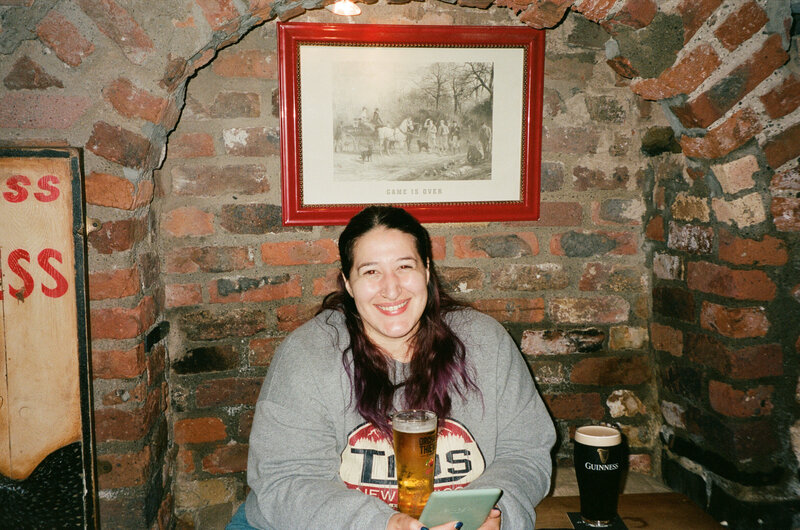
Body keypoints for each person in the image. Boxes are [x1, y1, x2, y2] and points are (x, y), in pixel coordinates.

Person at [229, 206, 555, 530]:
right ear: (348, 282)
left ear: (427, 271)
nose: (391, 288)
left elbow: (525, 453)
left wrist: (493, 516)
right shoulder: (308, 355)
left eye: (404, 266)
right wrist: (381, 524)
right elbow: (286, 480)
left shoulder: (485, 343)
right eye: (371, 271)